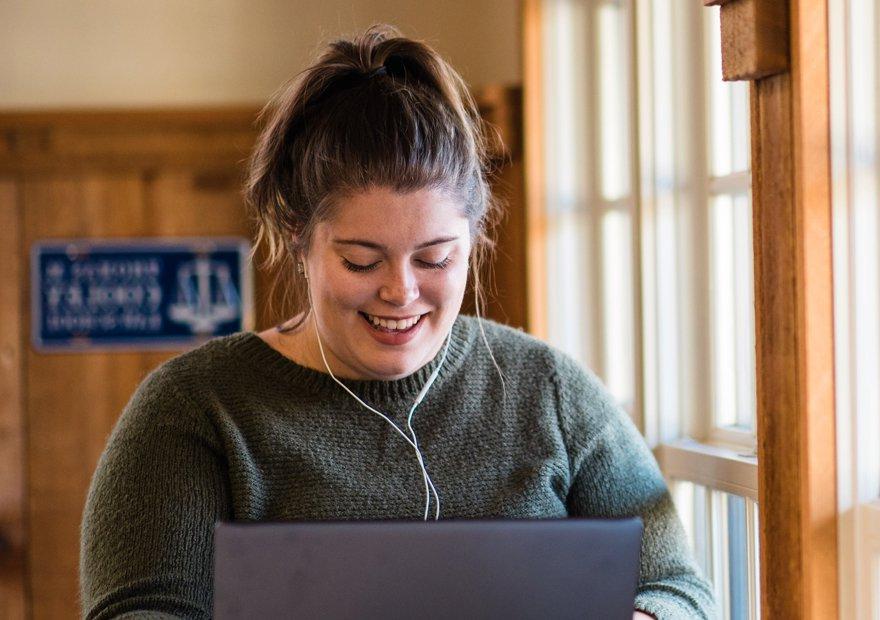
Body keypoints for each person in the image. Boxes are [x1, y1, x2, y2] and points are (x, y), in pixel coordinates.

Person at [79, 25, 716, 620]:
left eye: (435, 257)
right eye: (362, 260)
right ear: (299, 237)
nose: (401, 291)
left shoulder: (546, 388)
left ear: (475, 237)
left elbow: (676, 585)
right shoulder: (194, 409)